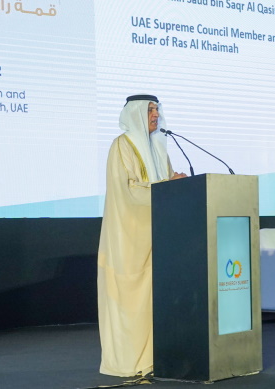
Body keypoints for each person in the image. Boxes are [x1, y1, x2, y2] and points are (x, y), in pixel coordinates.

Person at [97, 94, 187, 377]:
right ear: (135, 113)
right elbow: (128, 191)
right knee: (132, 304)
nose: (155, 115)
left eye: (157, 110)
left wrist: (176, 185)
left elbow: (166, 187)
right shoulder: (121, 146)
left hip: (159, 238)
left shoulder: (159, 148)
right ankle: (130, 363)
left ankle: (157, 359)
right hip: (129, 239)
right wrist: (169, 185)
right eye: (149, 110)